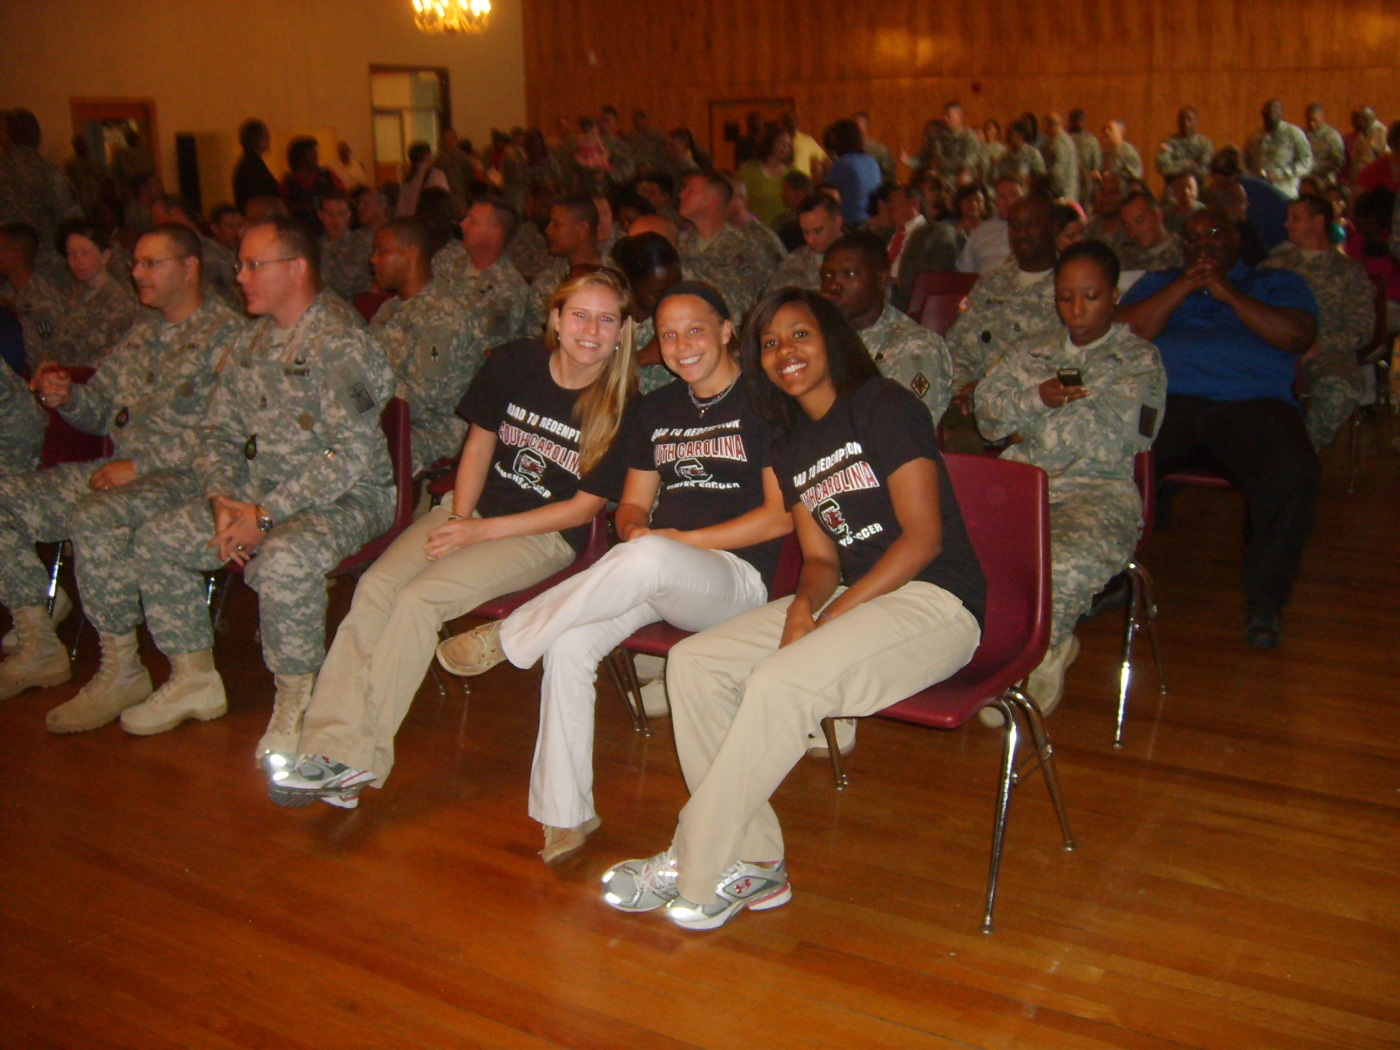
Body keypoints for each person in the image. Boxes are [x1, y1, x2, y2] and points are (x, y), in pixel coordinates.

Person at [598, 288, 985, 931]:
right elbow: (821, 558)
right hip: (847, 596)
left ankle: (691, 860)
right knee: (695, 664)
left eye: (799, 335)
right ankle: (753, 862)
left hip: (935, 603)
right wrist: (806, 608)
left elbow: (923, 540)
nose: (785, 353)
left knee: (781, 681)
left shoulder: (884, 406)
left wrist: (828, 621)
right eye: (771, 343)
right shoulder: (791, 439)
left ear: (831, 339)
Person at [434, 282, 790, 863]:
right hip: (653, 570)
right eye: (668, 335)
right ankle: (565, 815)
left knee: (647, 559)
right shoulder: (655, 410)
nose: (681, 345)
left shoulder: (764, 403)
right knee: (570, 644)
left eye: (695, 329)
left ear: (728, 331)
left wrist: (674, 543)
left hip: (732, 579)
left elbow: (778, 518)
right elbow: (631, 504)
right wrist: (633, 531)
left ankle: (508, 634)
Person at [266, 269, 636, 807]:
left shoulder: (625, 406)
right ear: (554, 319)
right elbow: (479, 447)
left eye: (607, 319)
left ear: (623, 331)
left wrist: (480, 531)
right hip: (469, 509)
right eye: (579, 314)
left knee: (419, 600)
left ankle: (357, 759)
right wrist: (458, 519)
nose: (591, 329)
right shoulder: (514, 362)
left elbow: (582, 508)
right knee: (375, 588)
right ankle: (327, 747)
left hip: (541, 535)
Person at [125, 217, 395, 751]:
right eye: (240, 264)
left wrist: (265, 514)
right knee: (156, 539)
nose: (240, 276)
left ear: (295, 270)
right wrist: (224, 500)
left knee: (284, 559)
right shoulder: (250, 341)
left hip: (348, 497)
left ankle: (298, 701)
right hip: (254, 498)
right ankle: (194, 678)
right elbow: (216, 430)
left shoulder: (341, 344)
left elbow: (352, 454)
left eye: (253, 264)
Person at [0, 225, 245, 722]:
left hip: (188, 476)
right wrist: (69, 397)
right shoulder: (144, 330)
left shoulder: (229, 337)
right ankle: (37, 638)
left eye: (151, 263)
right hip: (122, 469)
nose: (136, 273)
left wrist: (141, 464)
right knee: (5, 497)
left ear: (190, 267)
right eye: (136, 263)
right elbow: (104, 412)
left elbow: (231, 435)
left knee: (96, 515)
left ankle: (122, 668)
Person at [974, 241, 1165, 721]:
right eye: (1065, 296)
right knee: (960, 554)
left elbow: (1114, 440)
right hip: (1021, 484)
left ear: (1115, 295)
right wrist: (1039, 398)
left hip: (1098, 492)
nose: (1076, 309)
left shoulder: (1139, 359)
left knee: (1058, 566)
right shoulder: (1029, 350)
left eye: (1091, 296)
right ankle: (986, 659)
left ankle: (1039, 655)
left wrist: (1026, 420)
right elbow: (986, 417)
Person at [1118, 206, 1319, 649]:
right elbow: (1121, 334)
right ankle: (1107, 575)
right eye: (1191, 238)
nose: (1201, 243)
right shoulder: (1162, 281)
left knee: (1292, 469)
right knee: (1104, 453)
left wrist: (1226, 293)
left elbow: (1296, 337)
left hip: (1250, 407)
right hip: (1167, 403)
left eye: (1213, 232)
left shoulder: (1276, 282)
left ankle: (1266, 603)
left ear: (1236, 241)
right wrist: (1185, 285)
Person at [368, 217, 487, 472]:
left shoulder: (443, 318)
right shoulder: (390, 308)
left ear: (410, 253)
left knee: (354, 453)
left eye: (382, 251)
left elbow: (418, 401)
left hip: (432, 431)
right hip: (384, 418)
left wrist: (357, 399)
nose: (373, 259)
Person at [1262, 195, 1376, 450]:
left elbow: (1362, 329)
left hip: (1328, 355)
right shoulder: (1275, 267)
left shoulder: (1348, 271)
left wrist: (1320, 346)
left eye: (1296, 218)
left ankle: (1302, 451)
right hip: (1276, 352)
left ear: (1318, 222)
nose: (1286, 224)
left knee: (1340, 389)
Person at [821, 231, 954, 424]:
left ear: (881, 280)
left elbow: (907, 432)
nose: (833, 285)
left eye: (848, 274)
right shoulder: (819, 338)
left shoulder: (915, 346)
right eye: (827, 275)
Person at [946, 195, 1063, 392]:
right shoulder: (989, 284)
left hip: (1040, 403)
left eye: (1032, 224)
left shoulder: (1072, 287)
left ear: (1054, 227)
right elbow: (956, 345)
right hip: (978, 400)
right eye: (1015, 225)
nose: (1022, 233)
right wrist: (964, 388)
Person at [435, 195, 529, 347]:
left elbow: (492, 347)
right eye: (465, 219)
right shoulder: (449, 256)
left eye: (472, 222)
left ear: (495, 231)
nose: (463, 225)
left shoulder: (507, 290)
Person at [46, 219, 137, 369]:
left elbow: (115, 360)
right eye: (71, 254)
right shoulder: (72, 293)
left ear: (105, 256)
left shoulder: (119, 303)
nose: (77, 261)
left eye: (85, 253)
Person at [611, 230, 683, 393]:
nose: (669, 297)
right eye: (657, 292)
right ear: (629, 284)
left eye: (676, 286)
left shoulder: (689, 314)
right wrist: (640, 358)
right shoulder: (609, 321)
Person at [763, 192, 843, 294]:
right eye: (805, 232)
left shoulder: (857, 259)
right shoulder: (795, 261)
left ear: (838, 222)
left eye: (817, 231)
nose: (810, 239)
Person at [1245, 100, 1314, 199]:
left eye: (1275, 110)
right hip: (1258, 189)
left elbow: (1306, 161)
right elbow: (1246, 161)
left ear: (1281, 113)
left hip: (1284, 189)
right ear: (1262, 114)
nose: (1271, 114)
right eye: (1268, 112)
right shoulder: (1255, 136)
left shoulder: (1293, 133)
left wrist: (1284, 173)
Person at [824, 119, 881, 228]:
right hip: (873, 220)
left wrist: (816, 174)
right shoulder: (871, 161)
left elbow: (825, 195)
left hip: (851, 222)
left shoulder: (842, 164)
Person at [318, 191, 373, 301]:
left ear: (349, 215)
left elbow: (349, 283)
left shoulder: (362, 242)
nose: (335, 220)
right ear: (321, 215)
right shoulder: (314, 248)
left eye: (341, 213)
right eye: (330, 214)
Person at [736, 126, 795, 228]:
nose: (785, 148)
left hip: (785, 232)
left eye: (788, 145)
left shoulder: (793, 172)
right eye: (780, 143)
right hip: (755, 230)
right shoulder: (749, 171)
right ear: (769, 143)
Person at [233, 119, 280, 212]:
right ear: (256, 139)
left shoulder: (249, 162)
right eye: (265, 136)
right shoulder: (253, 166)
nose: (269, 139)